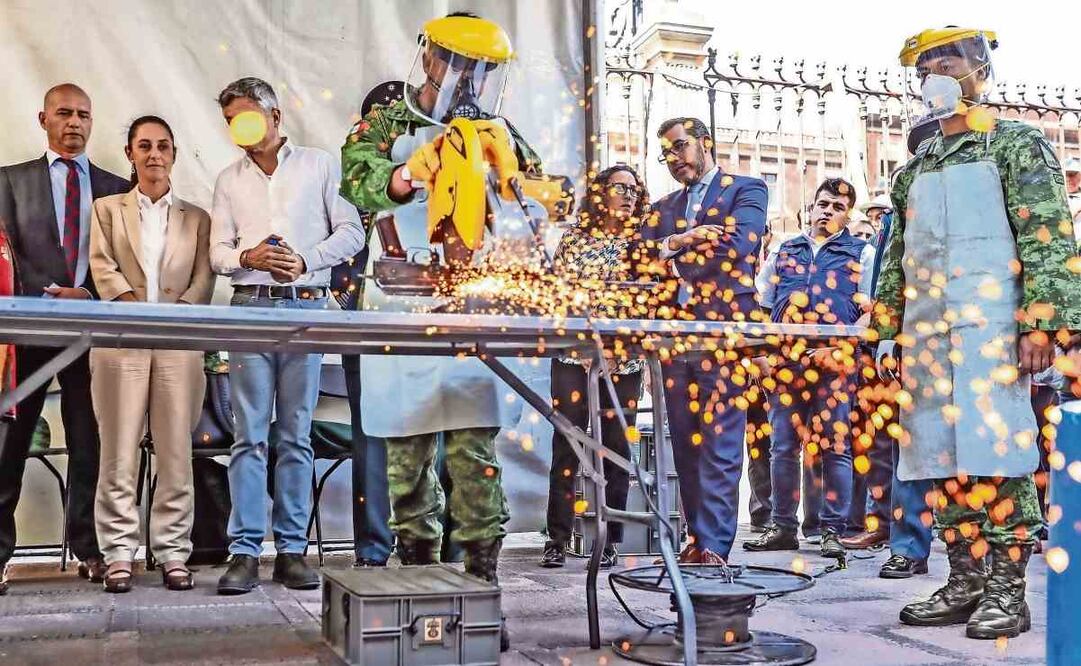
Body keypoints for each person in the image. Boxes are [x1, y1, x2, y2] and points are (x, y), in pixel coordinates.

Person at [340, 13, 539, 650]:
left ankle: (482, 591)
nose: (471, 78)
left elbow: (530, 196)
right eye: (461, 63)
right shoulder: (385, 122)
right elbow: (357, 182)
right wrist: (409, 173)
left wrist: (522, 185)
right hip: (398, 305)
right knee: (405, 460)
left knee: (473, 456)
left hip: (466, 305)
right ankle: (422, 587)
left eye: (483, 69)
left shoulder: (493, 125)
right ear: (429, 59)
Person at [878, 28, 1081, 639]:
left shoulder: (1016, 145)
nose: (936, 71)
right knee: (940, 454)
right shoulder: (915, 169)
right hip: (928, 335)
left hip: (994, 331)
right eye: (925, 65)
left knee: (1000, 454)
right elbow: (897, 256)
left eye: (950, 59)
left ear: (980, 70)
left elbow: (1047, 234)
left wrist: (1042, 323)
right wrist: (887, 328)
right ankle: (963, 580)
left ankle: (1006, 591)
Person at [210, 77, 365, 595]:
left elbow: (351, 232)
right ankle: (245, 551)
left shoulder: (319, 164)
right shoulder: (228, 179)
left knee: (295, 433)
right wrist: (247, 258)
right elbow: (217, 253)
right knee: (248, 435)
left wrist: (303, 261)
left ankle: (293, 550)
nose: (241, 126)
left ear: (275, 115)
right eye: (232, 119)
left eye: (248, 115)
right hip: (249, 309)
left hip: (306, 307)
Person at [0, 84, 130, 591]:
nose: (74, 122)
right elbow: (4, 257)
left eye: (83, 115)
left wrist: (90, 295)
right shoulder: (9, 182)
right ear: (43, 119)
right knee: (8, 447)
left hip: (93, 334)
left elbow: (126, 262)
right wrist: (49, 293)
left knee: (89, 443)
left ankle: (91, 548)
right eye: (63, 113)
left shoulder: (116, 187)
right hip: (26, 333)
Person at [88, 116, 215, 592]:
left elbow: (204, 279)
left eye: (163, 146)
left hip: (179, 345)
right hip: (120, 343)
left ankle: (173, 552)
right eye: (145, 146)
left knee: (176, 453)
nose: (154, 154)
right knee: (118, 453)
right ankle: (119, 553)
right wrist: (134, 315)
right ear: (130, 154)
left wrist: (173, 319)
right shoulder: (106, 209)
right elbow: (102, 268)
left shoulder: (197, 217)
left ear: (175, 154)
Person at [636, 117, 768, 564]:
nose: (674, 159)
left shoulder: (746, 189)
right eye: (667, 153)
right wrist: (683, 238)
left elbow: (740, 245)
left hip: (725, 336)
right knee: (686, 445)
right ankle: (698, 538)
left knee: (721, 443)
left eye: (681, 147)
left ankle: (714, 546)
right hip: (674, 340)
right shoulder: (662, 207)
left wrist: (669, 249)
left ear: (706, 143)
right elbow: (639, 260)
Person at [743, 178, 875, 558]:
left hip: (835, 365)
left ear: (847, 214)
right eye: (823, 204)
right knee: (783, 448)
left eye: (837, 206)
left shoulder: (861, 253)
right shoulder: (786, 249)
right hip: (786, 365)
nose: (828, 211)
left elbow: (869, 315)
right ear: (811, 207)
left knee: (836, 448)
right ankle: (782, 527)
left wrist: (841, 351)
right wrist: (762, 354)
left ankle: (832, 529)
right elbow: (763, 307)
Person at [539, 165, 649, 569]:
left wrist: (622, 350)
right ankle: (557, 538)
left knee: (617, 448)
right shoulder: (574, 239)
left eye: (634, 190)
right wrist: (582, 346)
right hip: (574, 357)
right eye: (620, 188)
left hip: (624, 361)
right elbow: (558, 296)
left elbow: (648, 303)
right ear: (601, 193)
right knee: (567, 443)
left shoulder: (642, 242)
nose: (628, 196)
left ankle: (611, 538)